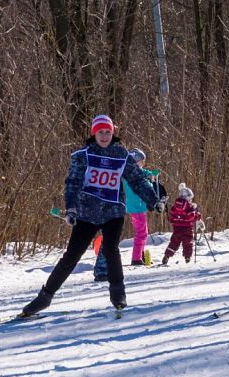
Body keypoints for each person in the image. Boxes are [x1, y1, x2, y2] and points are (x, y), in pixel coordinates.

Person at [20, 115, 163, 317]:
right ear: (94, 133)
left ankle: (118, 295)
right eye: (101, 132)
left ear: (113, 133)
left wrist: (153, 201)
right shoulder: (83, 156)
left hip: (113, 211)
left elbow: (137, 181)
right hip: (87, 212)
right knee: (72, 255)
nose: (104, 136)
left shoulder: (122, 155)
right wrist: (71, 209)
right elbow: (73, 183)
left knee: (111, 249)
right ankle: (45, 297)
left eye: (108, 132)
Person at [93, 148, 161, 280]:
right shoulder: (133, 176)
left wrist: (150, 174)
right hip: (136, 207)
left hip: (131, 206)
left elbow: (142, 173)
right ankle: (136, 257)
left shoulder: (125, 173)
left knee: (139, 232)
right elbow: (142, 180)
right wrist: (150, 183)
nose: (143, 165)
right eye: (141, 162)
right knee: (142, 233)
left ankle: (139, 255)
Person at [161, 183, 202, 265]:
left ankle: (167, 255)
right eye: (190, 199)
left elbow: (171, 216)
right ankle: (187, 258)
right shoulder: (189, 207)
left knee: (174, 243)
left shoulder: (175, 206)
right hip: (187, 229)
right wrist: (197, 214)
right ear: (187, 198)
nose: (191, 201)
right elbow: (191, 217)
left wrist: (175, 220)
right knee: (187, 243)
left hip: (177, 229)